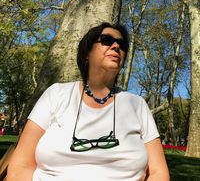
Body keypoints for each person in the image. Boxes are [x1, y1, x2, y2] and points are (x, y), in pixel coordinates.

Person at [7, 22, 170, 181]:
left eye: (122, 44)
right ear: (86, 53)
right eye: (106, 40)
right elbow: (21, 165)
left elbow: (158, 172)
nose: (116, 46)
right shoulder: (56, 94)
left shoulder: (137, 105)